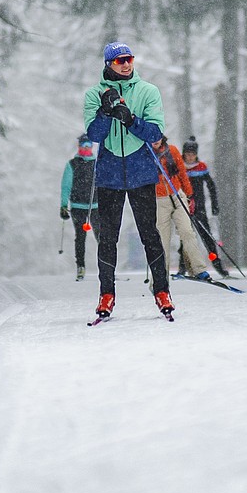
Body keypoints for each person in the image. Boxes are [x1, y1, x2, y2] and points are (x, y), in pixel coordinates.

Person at [84, 41, 173, 321]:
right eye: (119, 60)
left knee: (150, 234)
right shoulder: (93, 94)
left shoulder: (148, 91)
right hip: (110, 173)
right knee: (108, 237)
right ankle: (106, 294)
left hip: (140, 171)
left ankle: (162, 291)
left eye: (129, 58)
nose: (126, 64)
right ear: (109, 64)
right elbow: (94, 135)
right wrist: (105, 112)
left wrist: (130, 118)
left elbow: (155, 132)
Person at [151, 135, 213, 282]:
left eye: (157, 136)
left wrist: (190, 195)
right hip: (159, 200)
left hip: (177, 196)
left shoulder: (172, 151)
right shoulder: (145, 153)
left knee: (187, 232)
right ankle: (160, 275)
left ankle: (199, 269)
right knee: (162, 239)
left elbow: (182, 174)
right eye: (151, 137)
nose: (155, 140)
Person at [181, 136, 228, 277]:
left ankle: (217, 264)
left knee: (207, 238)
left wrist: (214, 205)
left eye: (192, 155)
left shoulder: (201, 167)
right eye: (187, 155)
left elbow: (211, 186)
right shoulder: (180, 167)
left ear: (196, 155)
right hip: (184, 207)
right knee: (185, 238)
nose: (190, 158)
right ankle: (182, 268)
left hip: (199, 208)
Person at [60, 136, 99, 281]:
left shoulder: (97, 163)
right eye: (84, 145)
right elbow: (66, 186)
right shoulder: (72, 164)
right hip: (78, 206)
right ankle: (80, 266)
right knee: (80, 237)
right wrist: (64, 206)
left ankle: (106, 266)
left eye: (89, 145)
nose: (86, 148)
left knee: (101, 236)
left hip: (95, 205)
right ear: (79, 146)